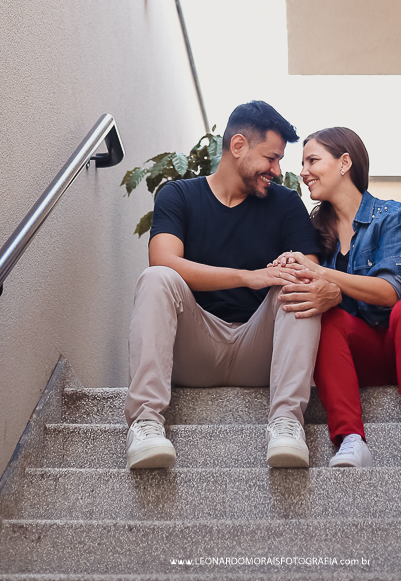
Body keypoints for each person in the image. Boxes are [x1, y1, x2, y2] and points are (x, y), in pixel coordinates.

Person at [124, 101, 341, 471]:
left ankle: (287, 423)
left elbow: (313, 270)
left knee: (298, 281)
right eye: (271, 158)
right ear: (238, 146)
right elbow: (163, 259)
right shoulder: (178, 195)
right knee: (158, 278)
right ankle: (145, 423)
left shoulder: (286, 204)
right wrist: (248, 275)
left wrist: (309, 275)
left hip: (259, 350)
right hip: (196, 347)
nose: (277, 170)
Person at [270, 126, 401, 469]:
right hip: (367, 354)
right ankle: (350, 440)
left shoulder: (392, 216)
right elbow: (310, 281)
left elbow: (389, 292)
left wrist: (325, 276)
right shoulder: (315, 230)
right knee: (325, 315)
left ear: (345, 163)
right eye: (302, 163)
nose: (303, 172)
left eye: (312, 160)